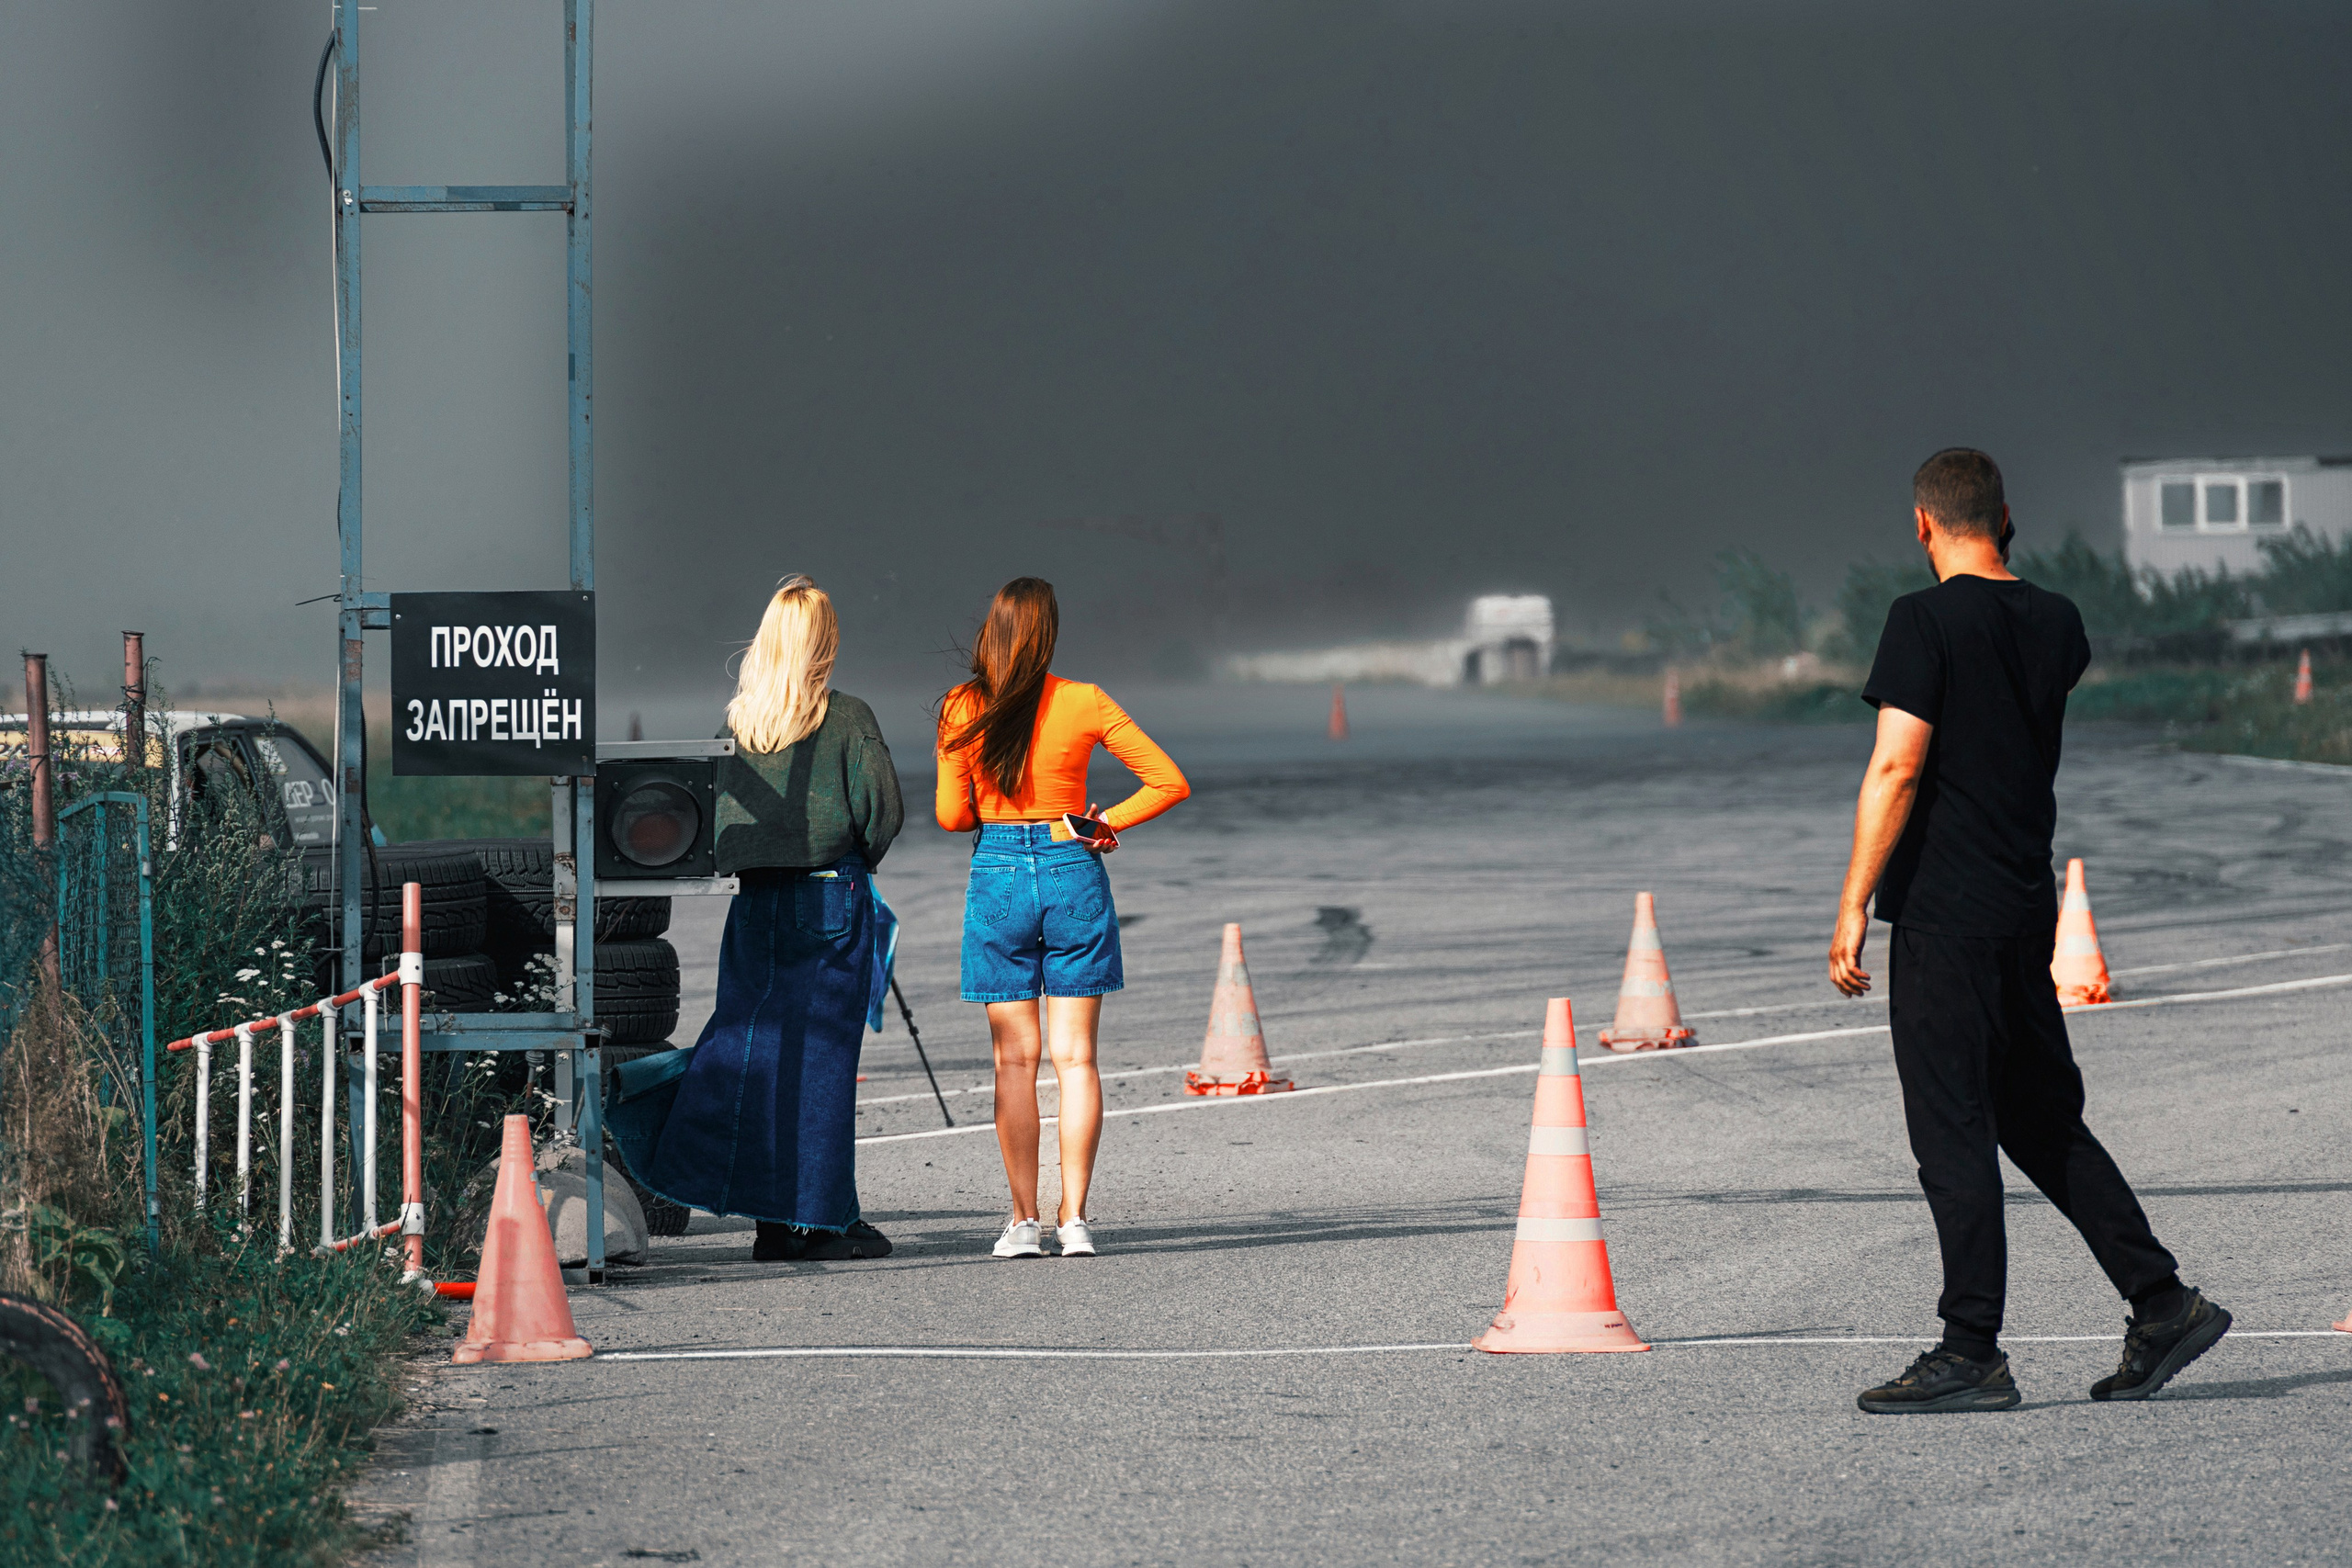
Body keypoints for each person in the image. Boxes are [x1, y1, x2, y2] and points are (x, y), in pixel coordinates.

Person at [1830, 449, 2229, 1413]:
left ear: (1921, 524)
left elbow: (1897, 766)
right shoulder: (2058, 621)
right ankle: (2162, 1302)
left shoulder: (1919, 621)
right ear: (2004, 516)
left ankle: (1970, 1350)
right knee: (2040, 1123)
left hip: (1945, 913)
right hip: (2021, 905)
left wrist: (1852, 899)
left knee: (1953, 1132)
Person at [630, 576, 904, 1262]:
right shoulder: (848, 716)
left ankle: (771, 1220)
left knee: (756, 1055)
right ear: (825, 643)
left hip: (753, 905)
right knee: (824, 1062)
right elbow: (884, 809)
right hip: (828, 898)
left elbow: (716, 821)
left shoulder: (739, 724)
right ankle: (819, 1221)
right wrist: (857, 859)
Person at [935, 578, 1190, 1259]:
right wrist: (1101, 821)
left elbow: (951, 816)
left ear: (992, 630)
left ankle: (1021, 1221)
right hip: (1071, 862)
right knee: (1077, 1058)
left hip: (996, 874)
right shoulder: (1085, 700)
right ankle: (1074, 1218)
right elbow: (1168, 780)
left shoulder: (962, 705)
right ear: (1048, 634)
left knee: (1012, 1060)